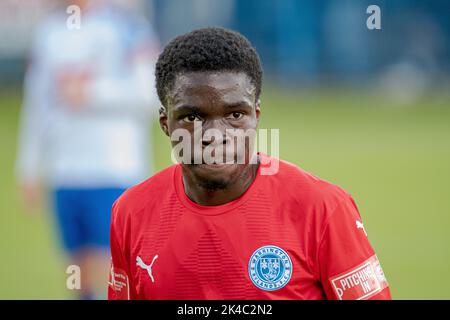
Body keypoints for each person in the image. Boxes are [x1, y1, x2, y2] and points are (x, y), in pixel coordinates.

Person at [108, 27, 391, 300]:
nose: (215, 136)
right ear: (165, 123)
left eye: (234, 115)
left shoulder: (323, 209)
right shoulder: (131, 213)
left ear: (256, 116)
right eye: (192, 118)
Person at [16, 0, 160, 299]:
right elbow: (36, 104)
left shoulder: (128, 27)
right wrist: (28, 167)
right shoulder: (48, 32)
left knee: (112, 268)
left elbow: (149, 95)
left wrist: (92, 93)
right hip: (65, 171)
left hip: (112, 168)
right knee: (78, 271)